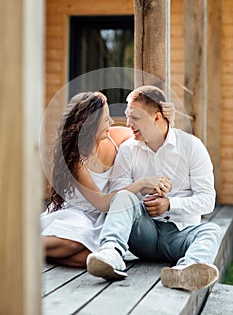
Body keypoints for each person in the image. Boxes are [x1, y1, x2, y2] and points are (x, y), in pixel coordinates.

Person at [86, 85, 221, 291]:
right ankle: (111, 254)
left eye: (136, 117)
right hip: (144, 234)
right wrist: (143, 188)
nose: (128, 123)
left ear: (157, 118)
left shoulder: (192, 147)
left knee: (212, 230)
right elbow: (117, 198)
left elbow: (207, 200)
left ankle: (186, 270)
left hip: (181, 234)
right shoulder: (128, 149)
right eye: (127, 116)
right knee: (123, 197)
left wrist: (169, 205)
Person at [41, 91, 173, 267]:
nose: (111, 123)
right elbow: (101, 203)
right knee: (76, 242)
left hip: (102, 217)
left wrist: (168, 118)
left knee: (91, 257)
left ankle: (44, 255)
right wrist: (141, 184)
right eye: (105, 120)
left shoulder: (114, 136)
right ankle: (23, 247)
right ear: (90, 127)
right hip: (79, 212)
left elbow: (151, 133)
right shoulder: (77, 160)